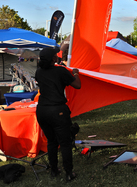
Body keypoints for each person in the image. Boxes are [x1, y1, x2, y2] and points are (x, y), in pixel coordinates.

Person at [35, 47, 81, 181]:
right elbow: (77, 85)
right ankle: (69, 173)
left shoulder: (39, 72)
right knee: (65, 143)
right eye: (56, 55)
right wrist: (75, 73)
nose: (58, 55)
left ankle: (54, 170)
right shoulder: (60, 71)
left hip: (42, 111)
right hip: (58, 111)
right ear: (53, 59)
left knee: (51, 141)